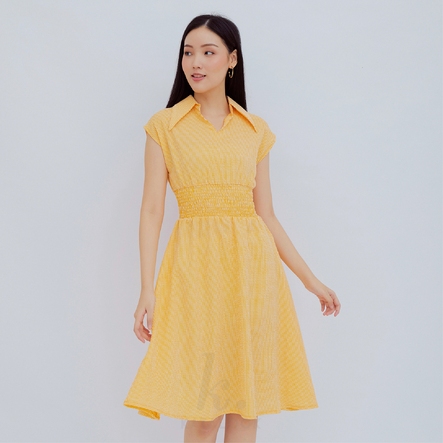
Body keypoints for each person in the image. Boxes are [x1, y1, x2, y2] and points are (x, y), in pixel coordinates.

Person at [123, 13, 341, 443]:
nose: (195, 62)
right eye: (188, 52)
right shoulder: (165, 126)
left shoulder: (254, 130)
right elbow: (151, 210)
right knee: (204, 406)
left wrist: (311, 281)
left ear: (232, 60)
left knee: (246, 405)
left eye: (208, 52)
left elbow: (267, 215)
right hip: (194, 274)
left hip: (253, 274)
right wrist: (147, 289)